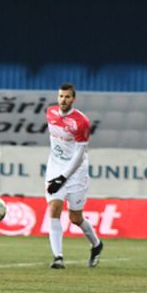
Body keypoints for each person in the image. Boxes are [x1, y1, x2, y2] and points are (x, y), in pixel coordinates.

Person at [45, 83, 103, 269]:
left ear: (73, 99)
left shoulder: (81, 122)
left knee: (75, 218)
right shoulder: (50, 113)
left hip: (76, 171)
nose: (63, 100)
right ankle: (58, 257)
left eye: (67, 97)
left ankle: (96, 244)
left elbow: (79, 154)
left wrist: (63, 177)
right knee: (54, 208)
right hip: (55, 167)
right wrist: (57, 174)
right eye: (61, 96)